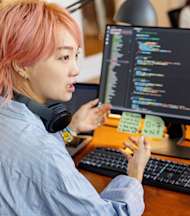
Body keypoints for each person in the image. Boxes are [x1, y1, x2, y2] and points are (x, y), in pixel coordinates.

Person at [0, 0, 150, 215]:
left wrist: (72, 129)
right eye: (64, 57)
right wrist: (134, 177)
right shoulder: (44, 155)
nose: (76, 69)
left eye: (76, 56)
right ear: (22, 65)